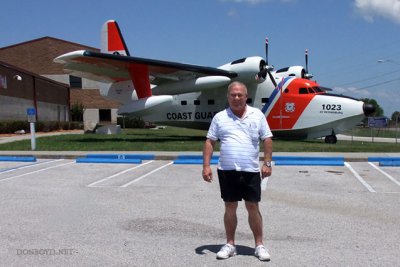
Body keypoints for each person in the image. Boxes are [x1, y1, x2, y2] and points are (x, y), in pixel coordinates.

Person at [202, 81, 273, 261]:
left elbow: (267, 139)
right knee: (230, 207)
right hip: (227, 170)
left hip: (250, 170)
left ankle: (259, 245)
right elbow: (210, 141)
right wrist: (206, 166)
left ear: (246, 96)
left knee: (253, 207)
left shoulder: (257, 115)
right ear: (228, 97)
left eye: (240, 95)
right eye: (233, 95)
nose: (236, 98)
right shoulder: (220, 117)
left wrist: (267, 163)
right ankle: (230, 244)